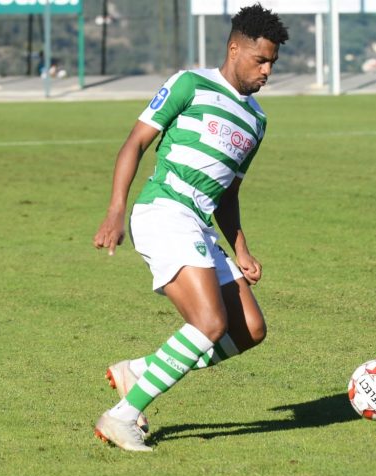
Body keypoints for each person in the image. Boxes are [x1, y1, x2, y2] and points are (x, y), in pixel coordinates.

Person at [91, 4, 289, 452]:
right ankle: (122, 415)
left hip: (200, 225)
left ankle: (139, 371)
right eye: (260, 60)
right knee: (209, 323)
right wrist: (115, 210)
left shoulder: (257, 121)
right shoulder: (189, 83)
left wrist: (241, 249)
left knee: (250, 331)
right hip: (164, 211)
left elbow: (229, 193)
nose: (267, 70)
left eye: (273, 62)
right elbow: (135, 143)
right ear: (234, 48)